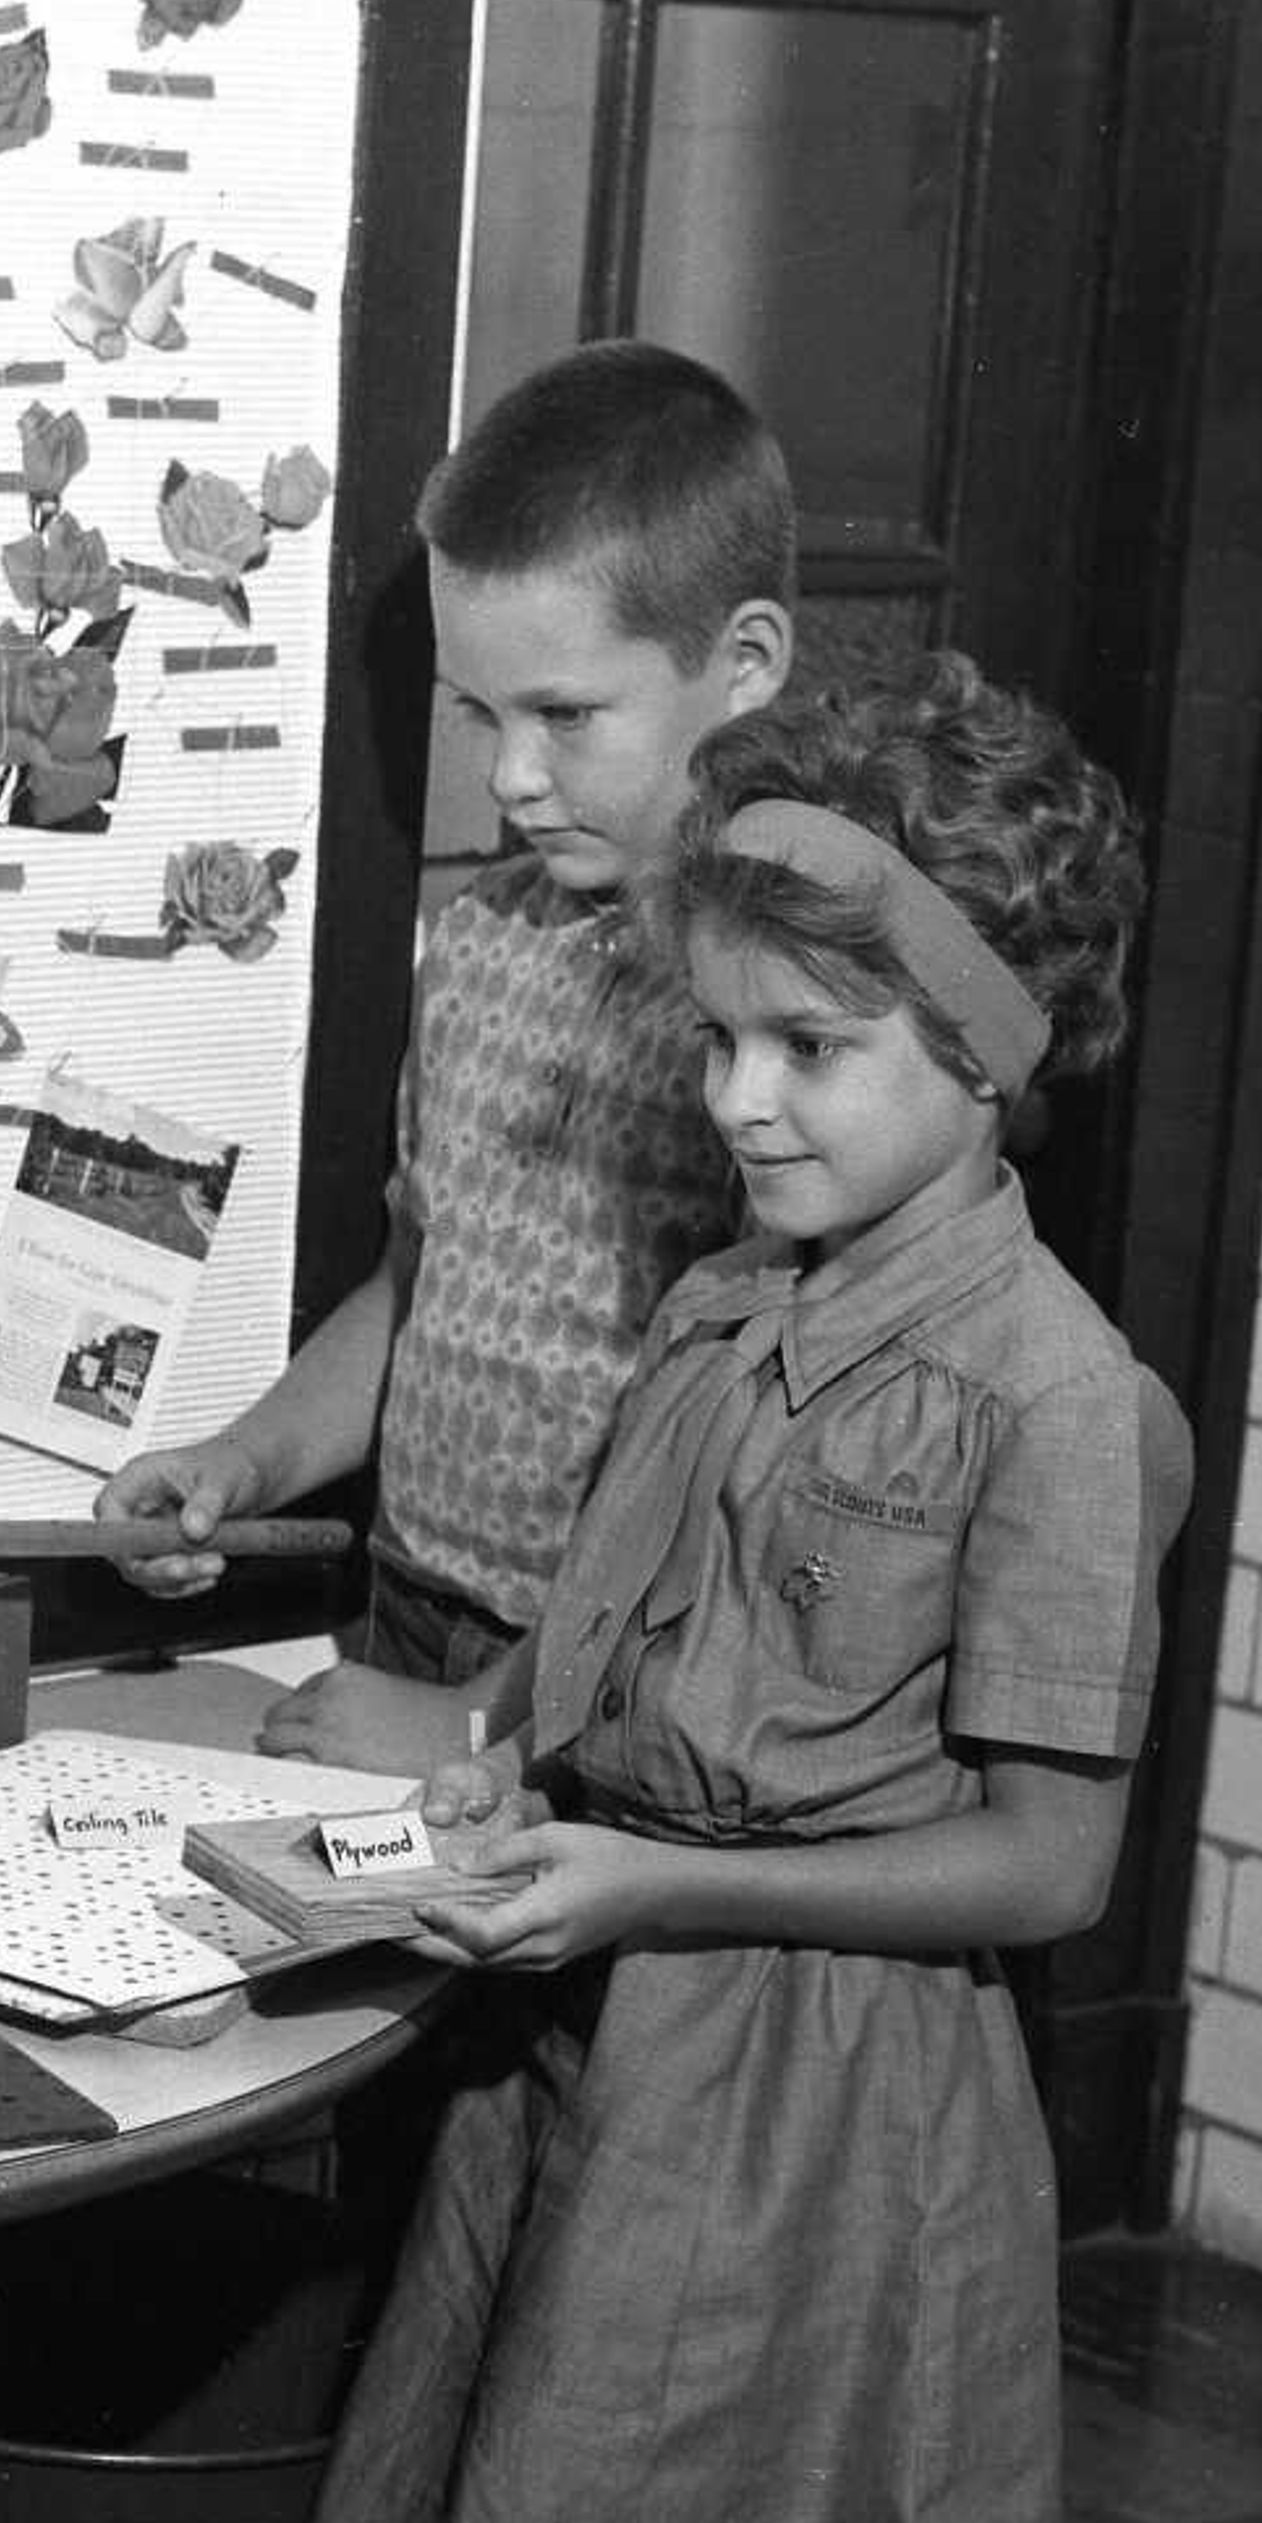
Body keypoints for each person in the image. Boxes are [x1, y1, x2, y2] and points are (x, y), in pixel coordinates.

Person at [307, 654, 1193, 2523]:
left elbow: (1051, 1863)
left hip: (823, 2131)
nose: (735, 1099)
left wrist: (652, 1887)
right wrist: (497, 1746)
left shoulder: (1059, 1402)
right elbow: (617, 1632)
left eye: (810, 1044)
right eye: (717, 1035)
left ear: (986, 1056)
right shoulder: (718, 1307)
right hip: (599, 2055)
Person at [100, 341, 792, 1773]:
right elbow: (421, 1281)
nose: (510, 776)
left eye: (566, 715)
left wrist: (491, 1719)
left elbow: (761, 1470)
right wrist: (248, 1462)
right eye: (481, 715)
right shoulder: (482, 942)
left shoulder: (791, 1015)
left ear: (744, 668)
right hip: (406, 1619)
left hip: (630, 1683)